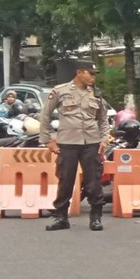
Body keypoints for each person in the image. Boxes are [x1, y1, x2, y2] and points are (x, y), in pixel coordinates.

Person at [39, 59, 112, 232]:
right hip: (68, 143)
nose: (93, 77)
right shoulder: (60, 91)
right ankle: (61, 217)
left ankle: (95, 218)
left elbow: (103, 118)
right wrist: (48, 140)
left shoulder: (96, 93)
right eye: (91, 73)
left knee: (94, 182)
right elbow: (45, 115)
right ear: (80, 72)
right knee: (65, 181)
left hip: (91, 143)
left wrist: (104, 139)